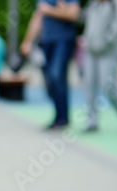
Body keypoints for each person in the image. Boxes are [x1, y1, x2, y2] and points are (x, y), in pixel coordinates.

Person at [21, 0, 81, 130]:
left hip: (64, 40)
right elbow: (37, 19)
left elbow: (74, 14)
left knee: (56, 75)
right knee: (50, 79)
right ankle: (59, 116)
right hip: (47, 42)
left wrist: (50, 11)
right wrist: (28, 42)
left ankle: (63, 118)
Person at [83, 0, 117, 132]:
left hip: (108, 51)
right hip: (91, 51)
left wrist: (106, 41)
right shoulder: (94, 4)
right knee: (89, 84)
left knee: (108, 84)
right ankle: (91, 122)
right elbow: (87, 21)